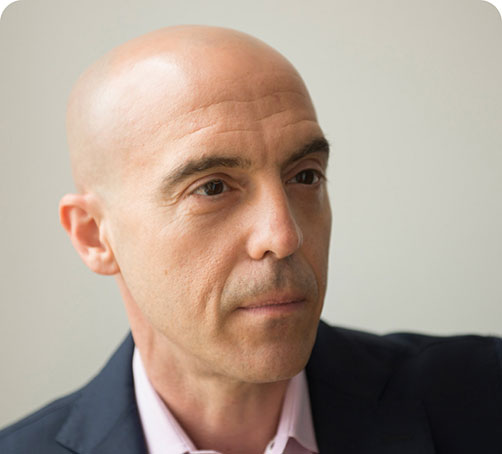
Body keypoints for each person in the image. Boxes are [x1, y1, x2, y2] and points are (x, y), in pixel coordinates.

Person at [0, 25, 501, 454]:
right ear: (94, 236)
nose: (284, 235)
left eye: (305, 176)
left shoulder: (483, 399)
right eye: (212, 188)